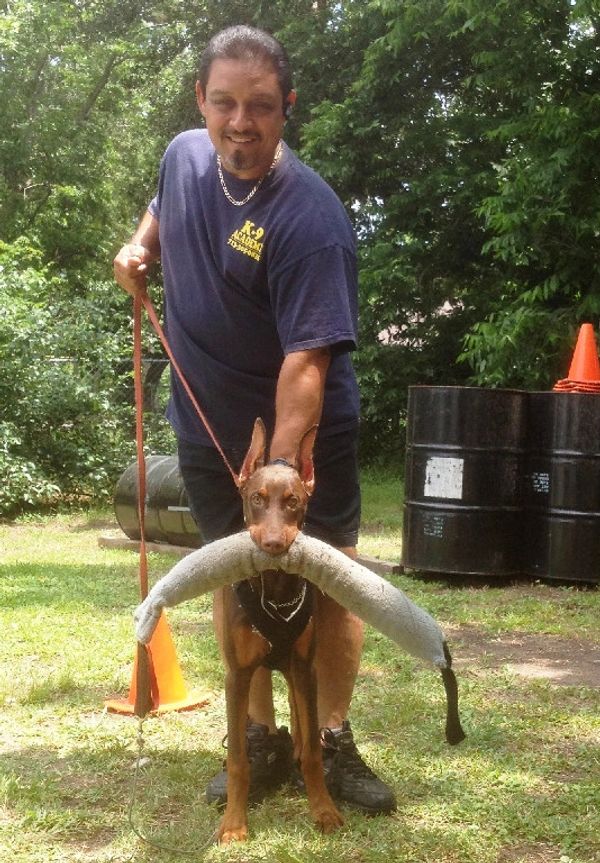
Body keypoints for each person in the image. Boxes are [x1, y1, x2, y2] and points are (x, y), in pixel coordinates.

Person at [113, 24, 395, 815]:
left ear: (286, 109)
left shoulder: (310, 218)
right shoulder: (181, 156)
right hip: (206, 424)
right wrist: (137, 251)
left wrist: (280, 475)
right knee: (233, 567)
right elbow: (159, 212)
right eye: (225, 102)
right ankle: (263, 738)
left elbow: (306, 366)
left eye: (261, 106)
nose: (241, 122)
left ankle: (330, 737)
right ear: (201, 100)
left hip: (301, 433)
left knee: (329, 581)